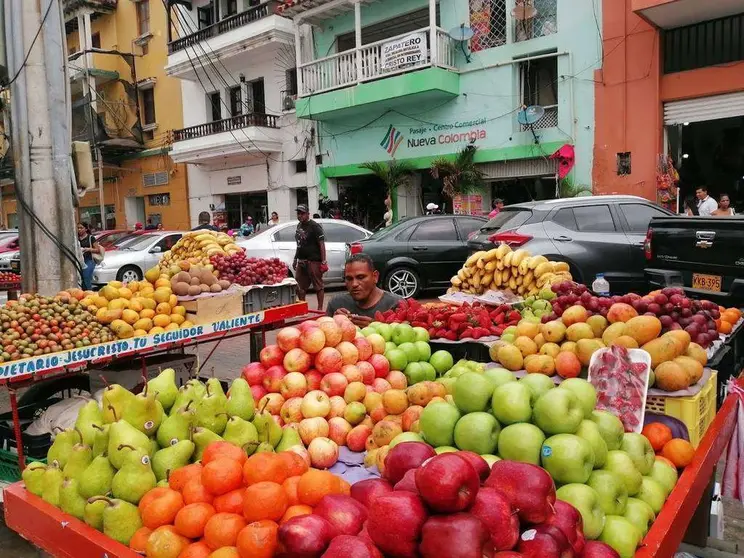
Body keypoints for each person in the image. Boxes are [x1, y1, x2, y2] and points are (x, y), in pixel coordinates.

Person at [327, 254, 402, 327]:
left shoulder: (396, 305)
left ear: (375, 277)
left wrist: (376, 327)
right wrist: (333, 323)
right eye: (349, 279)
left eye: (361, 277)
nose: (354, 284)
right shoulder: (336, 304)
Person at [293, 204, 327, 310]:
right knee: (299, 287)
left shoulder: (314, 226)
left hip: (313, 261)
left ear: (308, 214)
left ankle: (320, 309)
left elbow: (321, 243)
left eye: (302, 213)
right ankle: (303, 308)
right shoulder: (299, 226)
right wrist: (295, 258)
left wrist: (324, 261)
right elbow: (299, 244)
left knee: (318, 286)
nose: (300, 216)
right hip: (301, 260)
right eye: (298, 213)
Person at [78, 222, 101, 290]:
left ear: (86, 229)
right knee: (81, 278)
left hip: (89, 260)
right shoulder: (76, 238)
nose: (79, 229)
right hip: (79, 260)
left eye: (81, 228)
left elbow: (97, 249)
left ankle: (89, 292)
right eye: (78, 228)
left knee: (86, 275)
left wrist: (88, 249)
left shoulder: (91, 238)